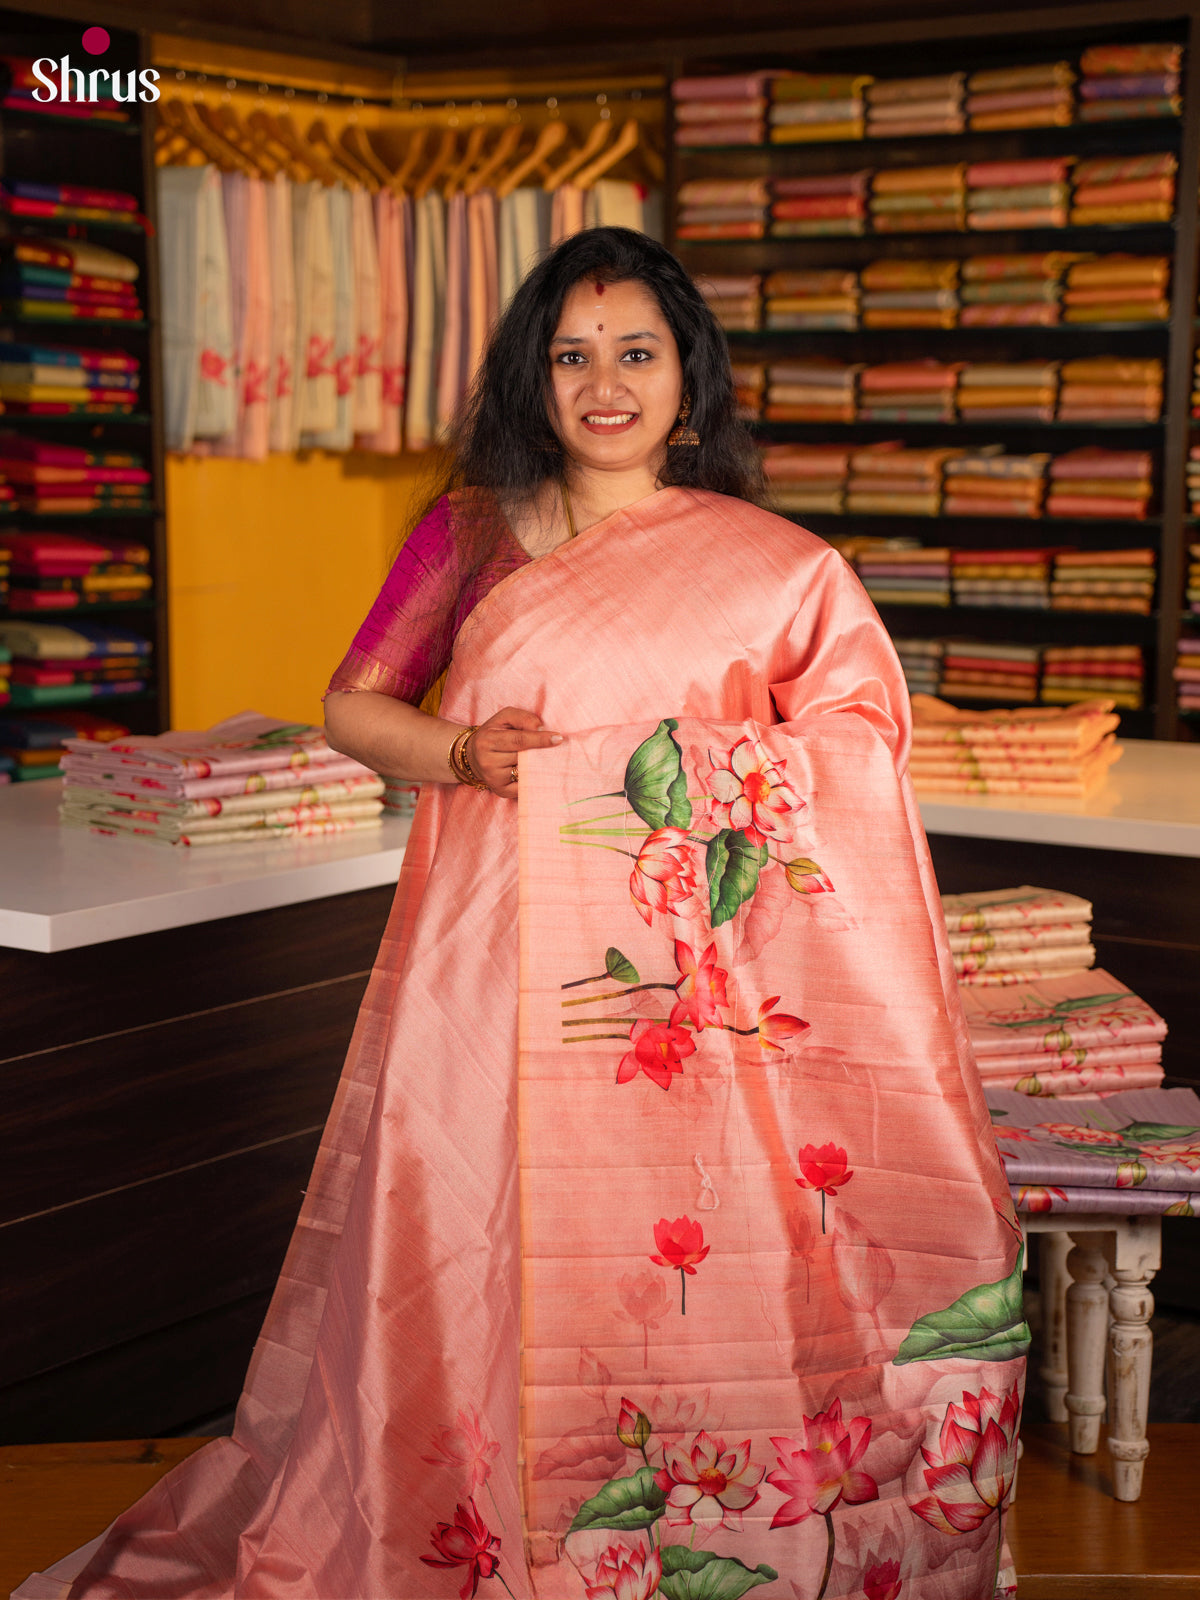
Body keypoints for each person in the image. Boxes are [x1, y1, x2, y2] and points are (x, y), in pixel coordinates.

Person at [17, 228, 1025, 1600]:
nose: (603, 384)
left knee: (688, 1238)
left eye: (635, 353)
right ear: (533, 378)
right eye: (571, 355)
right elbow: (353, 701)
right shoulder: (474, 527)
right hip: (487, 961)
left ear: (688, 378)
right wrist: (458, 753)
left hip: (685, 989)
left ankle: (684, 1525)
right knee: (477, 1228)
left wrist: (719, 780)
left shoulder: (778, 566)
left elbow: (856, 746)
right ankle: (474, 1515)